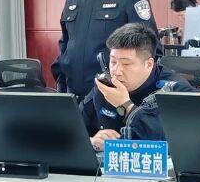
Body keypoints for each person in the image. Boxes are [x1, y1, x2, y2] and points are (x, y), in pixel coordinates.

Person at [80, 22, 194, 150]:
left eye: (126, 64)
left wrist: (126, 105)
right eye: (113, 62)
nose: (116, 71)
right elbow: (73, 129)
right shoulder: (106, 87)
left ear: (149, 64)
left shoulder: (175, 90)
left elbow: (174, 140)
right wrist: (92, 141)